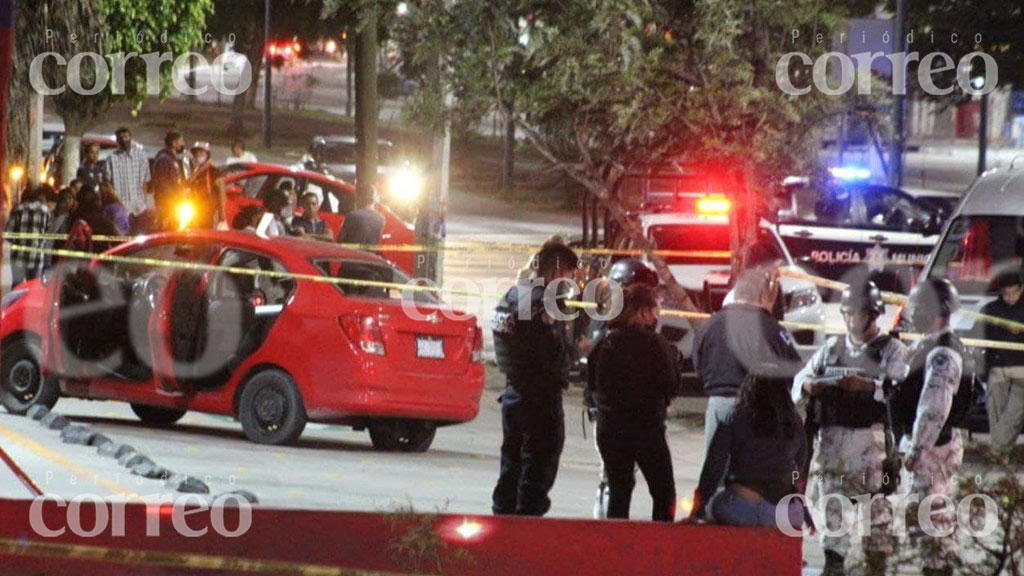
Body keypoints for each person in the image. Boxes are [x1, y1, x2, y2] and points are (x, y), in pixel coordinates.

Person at [793, 280, 908, 576]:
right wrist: (809, 385)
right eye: (846, 314)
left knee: (876, 536)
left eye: (856, 313)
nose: (850, 320)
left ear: (873, 314)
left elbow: (902, 390)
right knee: (833, 535)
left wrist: (868, 386)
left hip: (872, 455)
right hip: (832, 455)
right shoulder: (832, 348)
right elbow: (800, 379)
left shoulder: (891, 350)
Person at [690, 246, 803, 518]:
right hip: (756, 412)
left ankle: (708, 521)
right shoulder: (770, 328)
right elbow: (792, 371)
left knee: (715, 473)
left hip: (717, 408)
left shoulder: (711, 325)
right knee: (754, 475)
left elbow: (698, 364)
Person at [490, 241, 580, 516]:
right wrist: (577, 352)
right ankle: (527, 524)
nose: (571, 281)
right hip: (539, 397)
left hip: (514, 394)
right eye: (568, 274)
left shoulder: (512, 296)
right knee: (539, 464)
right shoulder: (543, 303)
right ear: (555, 273)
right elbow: (547, 351)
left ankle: (503, 519)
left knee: (512, 463)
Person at [890, 278, 972, 576]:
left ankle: (939, 569)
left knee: (932, 520)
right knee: (925, 519)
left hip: (932, 449)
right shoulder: (928, 345)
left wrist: (917, 448)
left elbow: (934, 407)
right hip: (928, 446)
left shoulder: (942, 353)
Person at [586, 283, 680, 521]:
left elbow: (591, 385)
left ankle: (616, 548)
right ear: (643, 312)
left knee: (619, 492)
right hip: (647, 429)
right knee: (663, 492)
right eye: (655, 309)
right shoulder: (656, 344)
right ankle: (660, 543)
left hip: (611, 428)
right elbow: (671, 384)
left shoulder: (605, 343)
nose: (657, 315)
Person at [695, 370, 807, 528]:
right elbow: (801, 462)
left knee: (715, 503)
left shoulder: (733, 416)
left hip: (740, 509)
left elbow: (714, 465)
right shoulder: (794, 421)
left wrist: (699, 505)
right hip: (784, 514)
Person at [977, 269, 1024, 455]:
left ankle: (997, 450)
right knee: (994, 406)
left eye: (1014, 292)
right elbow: (979, 337)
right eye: (1006, 293)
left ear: (1022, 289)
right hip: (998, 367)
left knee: (1014, 411)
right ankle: (1002, 451)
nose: (1010, 297)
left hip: (1022, 368)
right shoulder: (991, 310)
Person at [5, 185, 52, 287]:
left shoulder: (18, 209)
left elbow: (8, 234)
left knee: (17, 287)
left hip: (18, 257)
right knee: (33, 287)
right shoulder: (45, 211)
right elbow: (48, 234)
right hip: (37, 257)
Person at [105, 127, 151, 227]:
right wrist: (118, 202)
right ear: (117, 141)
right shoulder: (111, 159)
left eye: (126, 137)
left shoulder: (141, 157)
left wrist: (144, 202)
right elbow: (107, 184)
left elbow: (145, 181)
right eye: (121, 138)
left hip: (140, 208)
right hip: (121, 210)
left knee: (141, 239)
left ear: (130, 137)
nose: (124, 140)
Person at [184, 141, 227, 229]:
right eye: (196, 153)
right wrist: (198, 170)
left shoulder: (213, 171)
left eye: (201, 153)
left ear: (207, 155)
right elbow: (187, 184)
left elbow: (222, 191)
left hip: (208, 212)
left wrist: (222, 212)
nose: (198, 155)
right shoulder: (193, 171)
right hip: (194, 210)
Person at [150, 130, 187, 230]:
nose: (183, 144)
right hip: (167, 203)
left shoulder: (172, 158)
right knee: (167, 229)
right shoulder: (164, 159)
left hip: (172, 202)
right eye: (181, 141)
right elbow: (163, 183)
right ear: (174, 143)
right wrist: (174, 199)